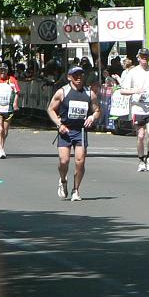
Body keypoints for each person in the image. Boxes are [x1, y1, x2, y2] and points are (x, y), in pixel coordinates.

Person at [47, 66, 100, 202]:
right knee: (64, 161)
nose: (78, 78)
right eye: (75, 75)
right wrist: (59, 125)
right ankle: (63, 180)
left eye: (81, 75)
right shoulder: (62, 92)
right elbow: (51, 109)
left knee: (80, 162)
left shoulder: (90, 93)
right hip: (65, 130)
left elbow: (97, 110)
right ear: (69, 77)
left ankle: (76, 190)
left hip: (80, 131)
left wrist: (92, 117)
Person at [119, 47, 149, 172]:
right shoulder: (132, 72)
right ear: (138, 58)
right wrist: (135, 91)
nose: (144, 59)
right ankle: (141, 159)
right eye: (142, 57)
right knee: (141, 136)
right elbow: (122, 90)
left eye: (146, 57)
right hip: (137, 108)